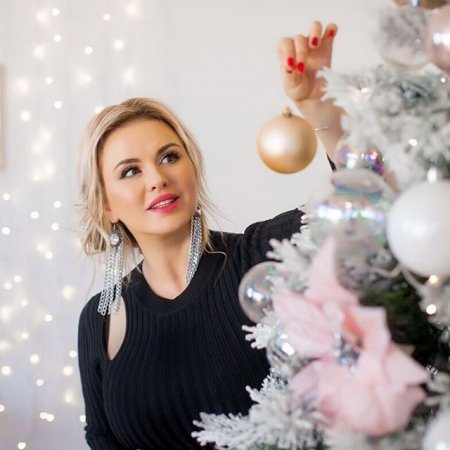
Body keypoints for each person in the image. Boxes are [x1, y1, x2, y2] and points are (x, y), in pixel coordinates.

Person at [77, 21, 342, 450]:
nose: (157, 178)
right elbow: (102, 439)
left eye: (169, 157)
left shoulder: (260, 255)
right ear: (107, 206)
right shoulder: (99, 319)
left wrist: (320, 110)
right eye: (130, 171)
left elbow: (359, 205)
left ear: (191, 169)